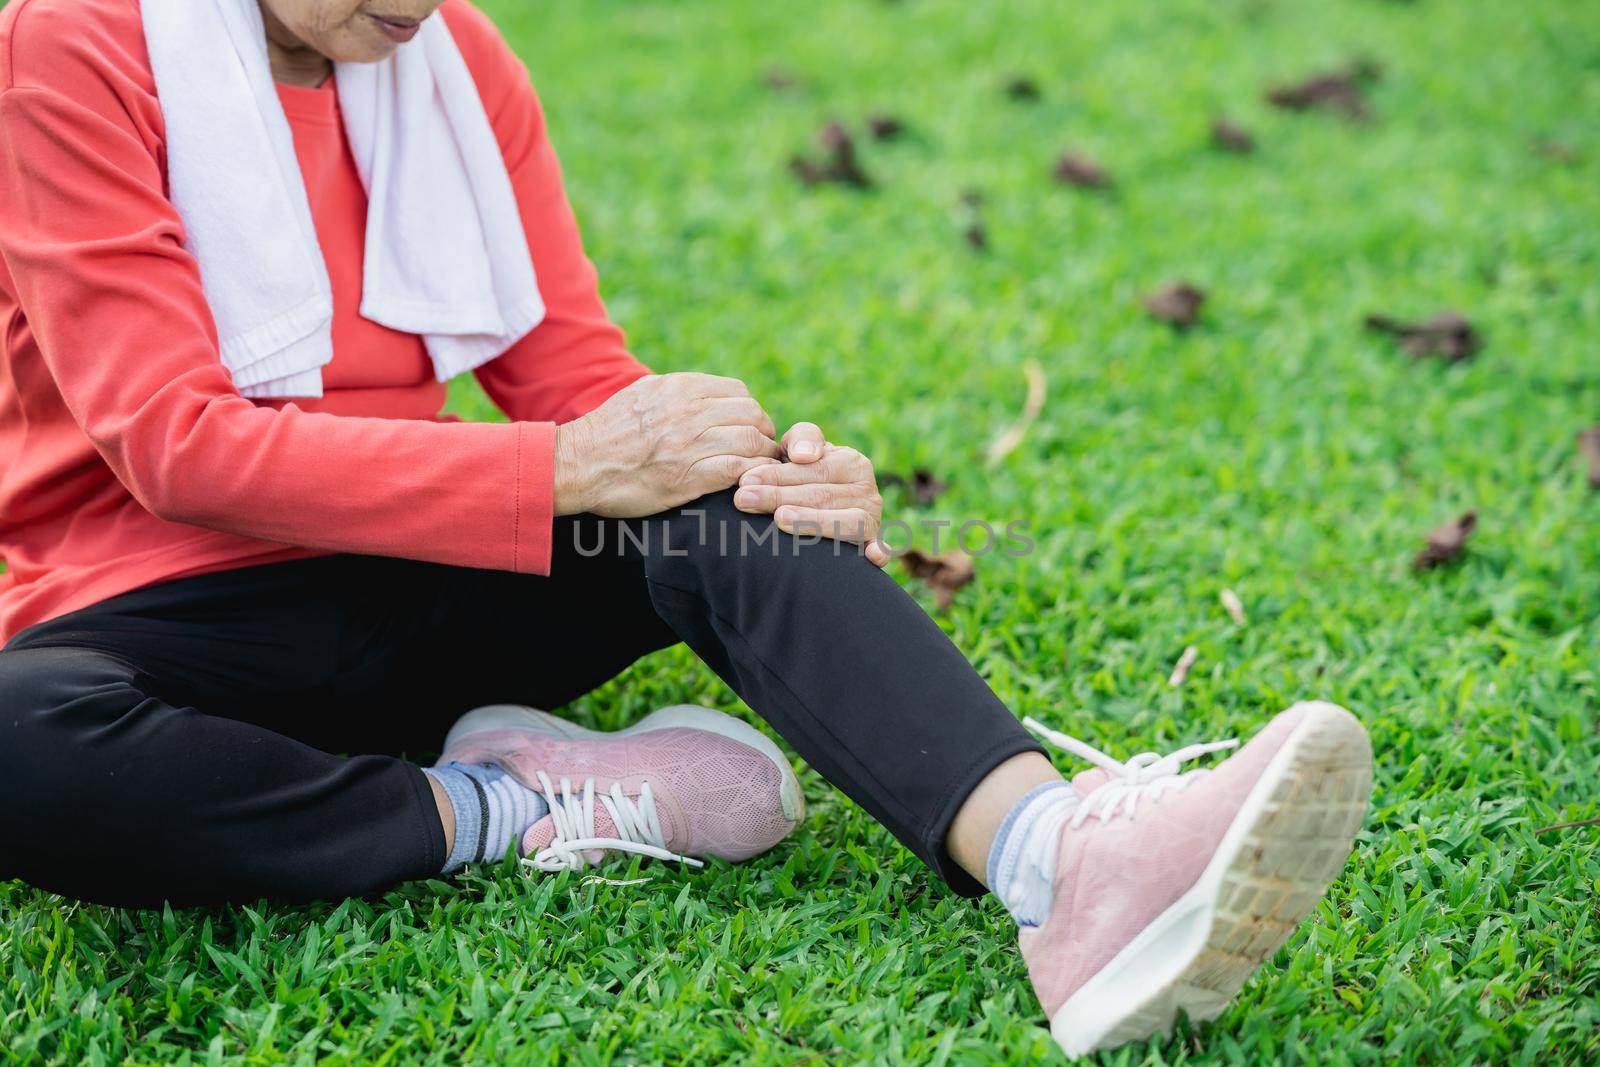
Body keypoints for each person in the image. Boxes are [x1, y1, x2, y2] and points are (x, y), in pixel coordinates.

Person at [0, 0, 1375, 1055]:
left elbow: (579, 389)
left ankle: (1063, 861)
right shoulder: (68, 45)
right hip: (150, 627)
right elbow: (172, 445)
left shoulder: (454, 61)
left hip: (413, 569)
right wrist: (573, 468)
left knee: (708, 499)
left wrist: (773, 471)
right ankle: (509, 806)